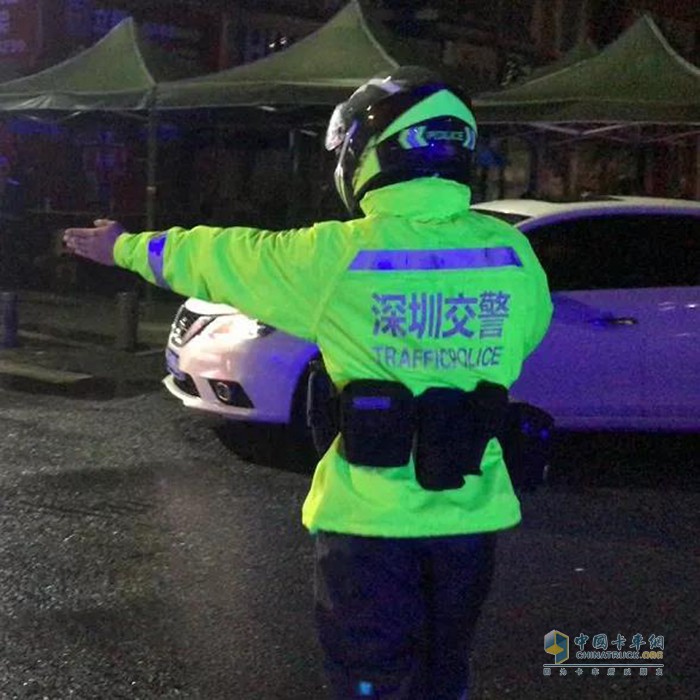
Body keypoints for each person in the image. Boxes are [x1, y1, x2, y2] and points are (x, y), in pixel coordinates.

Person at [64, 66, 553, 699]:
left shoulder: (338, 255)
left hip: (369, 526)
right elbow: (528, 332)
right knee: (445, 668)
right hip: (471, 518)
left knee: (368, 678)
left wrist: (124, 247)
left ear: (369, 153)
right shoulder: (511, 253)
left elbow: (219, 255)